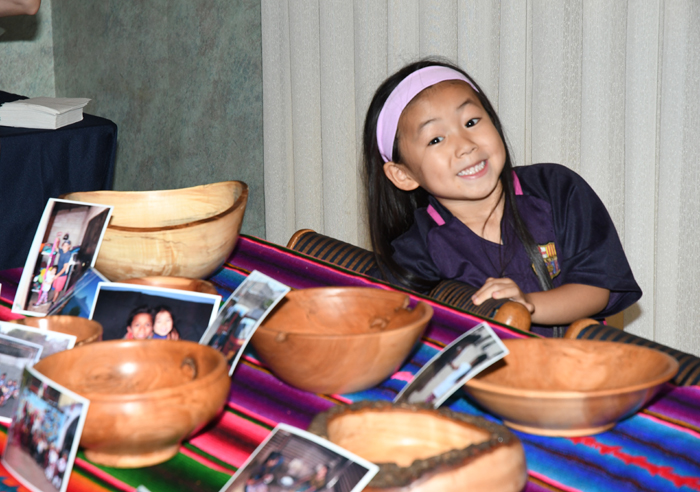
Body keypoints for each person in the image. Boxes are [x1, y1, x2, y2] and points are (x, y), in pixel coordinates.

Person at [363, 59, 641, 336]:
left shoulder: (555, 188)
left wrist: (526, 305)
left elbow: (596, 289)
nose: (465, 145)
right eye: (436, 139)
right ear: (403, 175)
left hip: (576, 360)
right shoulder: (418, 248)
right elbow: (375, 316)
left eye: (471, 122)